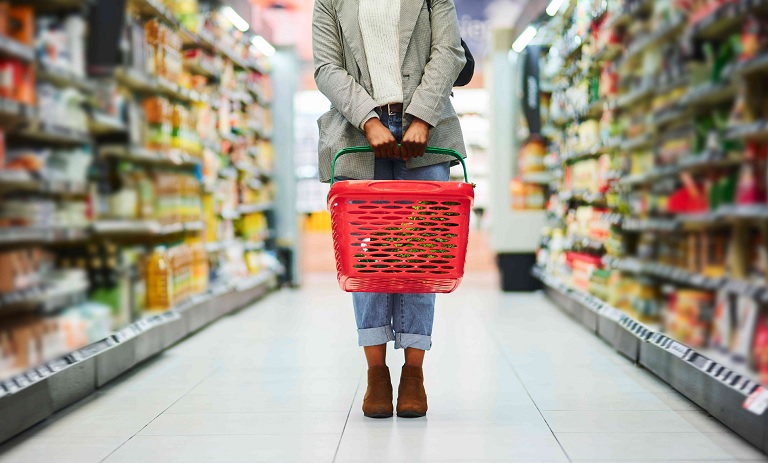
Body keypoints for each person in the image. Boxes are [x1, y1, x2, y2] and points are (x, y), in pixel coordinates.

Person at [312, 0, 467, 418]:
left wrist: (422, 116)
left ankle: (414, 372)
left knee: (422, 256)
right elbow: (327, 68)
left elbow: (448, 52)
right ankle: (376, 372)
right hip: (357, 133)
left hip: (427, 132)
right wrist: (368, 119)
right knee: (368, 258)